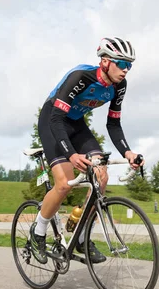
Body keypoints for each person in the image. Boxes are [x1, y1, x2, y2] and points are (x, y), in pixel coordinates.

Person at [30, 37, 144, 264]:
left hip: (77, 124)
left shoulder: (119, 86)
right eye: (121, 64)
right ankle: (38, 231)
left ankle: (81, 235)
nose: (125, 70)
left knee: (101, 176)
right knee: (64, 183)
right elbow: (56, 118)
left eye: (129, 65)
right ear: (104, 62)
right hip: (53, 120)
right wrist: (71, 154)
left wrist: (127, 153)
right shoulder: (80, 78)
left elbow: (113, 124)